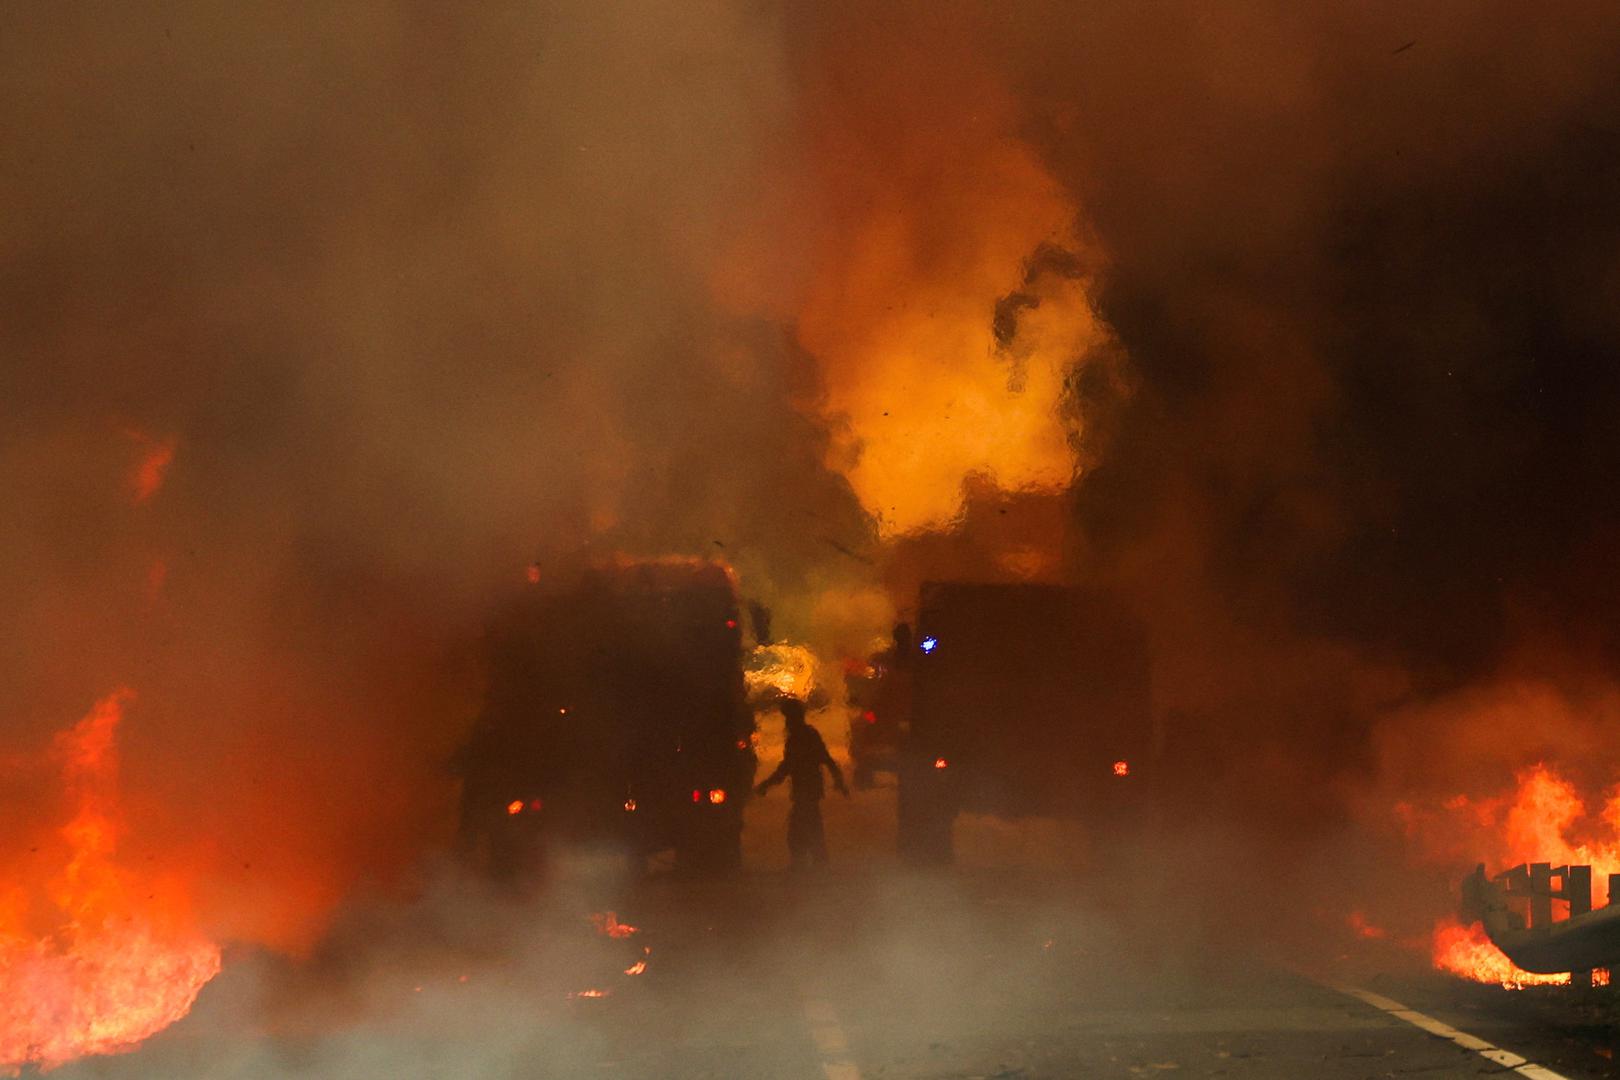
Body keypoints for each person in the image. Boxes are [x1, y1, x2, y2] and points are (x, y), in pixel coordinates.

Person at [755, 697, 847, 866]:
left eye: (788, 718)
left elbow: (787, 767)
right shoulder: (808, 734)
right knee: (811, 826)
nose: (786, 722)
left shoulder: (798, 738)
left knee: (799, 830)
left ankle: (806, 865)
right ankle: (817, 863)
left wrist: (766, 785)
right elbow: (826, 759)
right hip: (810, 790)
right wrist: (838, 780)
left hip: (806, 790)